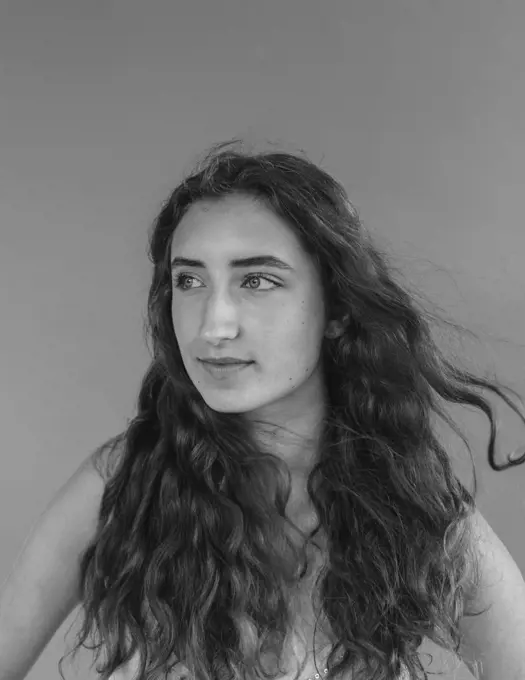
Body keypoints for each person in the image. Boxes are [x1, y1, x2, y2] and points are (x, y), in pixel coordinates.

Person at [1, 140, 525, 680]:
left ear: (337, 309)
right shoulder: (120, 485)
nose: (213, 325)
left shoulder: (415, 512)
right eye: (190, 280)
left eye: (257, 280)